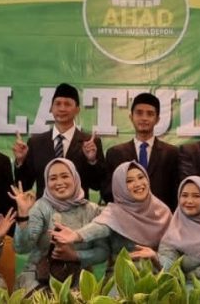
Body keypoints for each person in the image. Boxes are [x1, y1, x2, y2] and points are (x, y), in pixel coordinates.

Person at [10, 158, 109, 294]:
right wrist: (23, 215)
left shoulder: (92, 210)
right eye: (53, 178)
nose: (59, 182)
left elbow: (103, 251)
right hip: (39, 279)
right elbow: (21, 248)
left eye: (65, 176)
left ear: (75, 178)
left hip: (79, 280)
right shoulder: (41, 207)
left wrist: (75, 255)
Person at [51, 161, 171, 270]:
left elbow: (170, 256)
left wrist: (154, 256)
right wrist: (77, 235)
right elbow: (100, 226)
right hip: (121, 276)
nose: (138, 184)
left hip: (157, 277)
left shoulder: (163, 211)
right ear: (120, 186)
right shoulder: (115, 212)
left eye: (141, 177)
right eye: (129, 181)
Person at [13, 83, 105, 198]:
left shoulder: (90, 143)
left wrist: (92, 161)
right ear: (51, 108)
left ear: (77, 110)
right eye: (58, 104)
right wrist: (20, 161)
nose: (62, 108)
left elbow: (97, 185)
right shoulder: (35, 143)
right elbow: (24, 186)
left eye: (67, 104)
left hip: (78, 207)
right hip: (45, 208)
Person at [103, 92, 179, 209]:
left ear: (157, 119)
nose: (144, 118)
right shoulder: (115, 153)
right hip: (126, 215)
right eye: (139, 113)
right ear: (131, 117)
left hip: (161, 216)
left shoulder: (172, 153)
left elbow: (176, 193)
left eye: (150, 114)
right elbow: (108, 191)